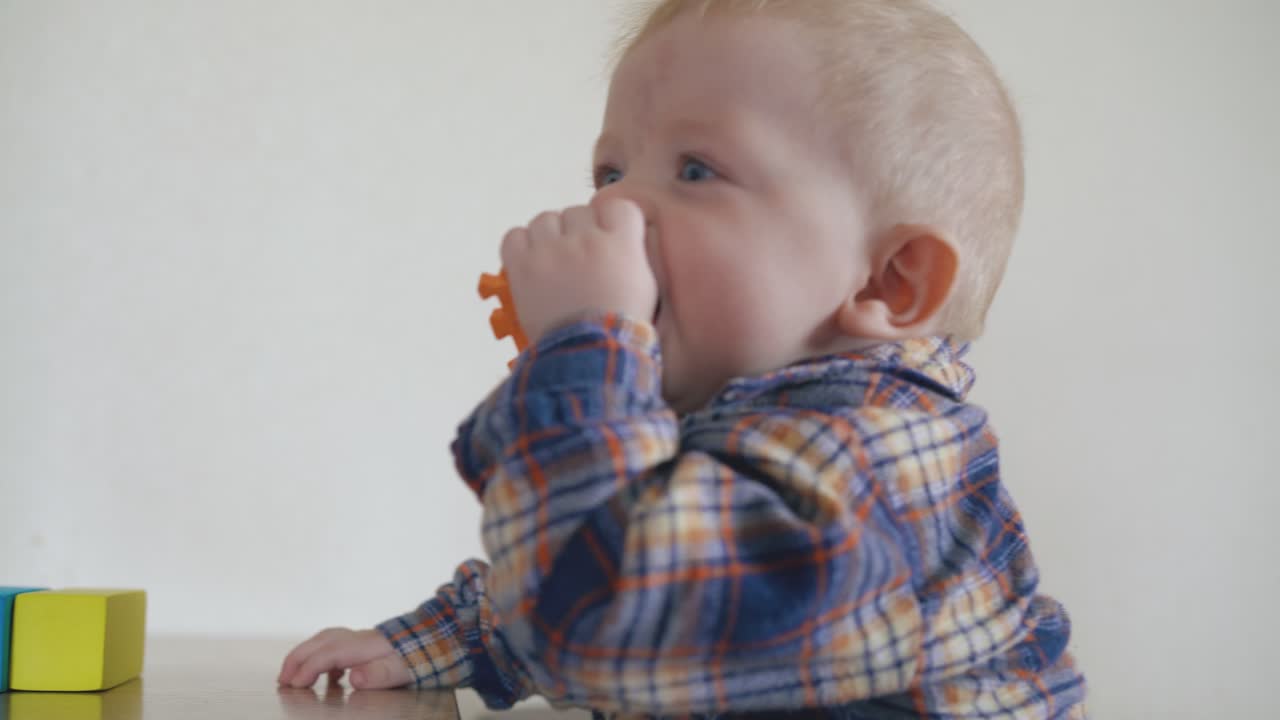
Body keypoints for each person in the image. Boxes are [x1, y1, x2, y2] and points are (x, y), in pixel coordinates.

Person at [278, 1, 1087, 717]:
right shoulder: (728, 428)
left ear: (888, 278)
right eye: (610, 170)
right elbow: (613, 550)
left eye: (696, 170)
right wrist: (435, 644)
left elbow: (613, 612)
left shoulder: (888, 469)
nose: (611, 207)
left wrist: (583, 348)